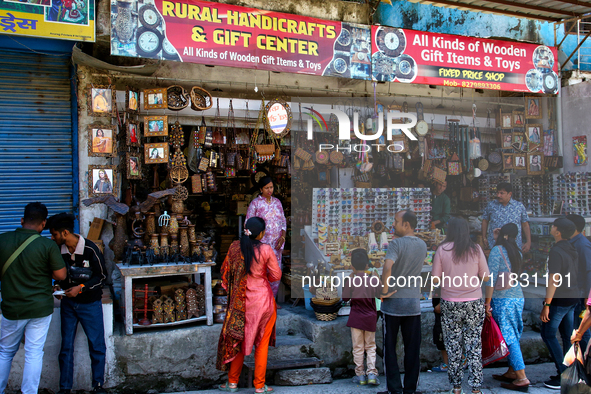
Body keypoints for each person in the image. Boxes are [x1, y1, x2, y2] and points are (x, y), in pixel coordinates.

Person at [0, 203, 66, 394]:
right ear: (44, 224)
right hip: (40, 309)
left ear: (22, 220)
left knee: (5, 352)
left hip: (12, 309)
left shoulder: (2, 240)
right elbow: (61, 276)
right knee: (34, 353)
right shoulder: (47, 245)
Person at [216, 217, 281, 393]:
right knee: (261, 344)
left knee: (238, 341)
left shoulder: (234, 247)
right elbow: (276, 275)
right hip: (263, 302)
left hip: (240, 302)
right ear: (261, 233)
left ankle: (232, 383)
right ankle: (259, 386)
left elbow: (225, 274)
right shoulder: (266, 249)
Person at [48, 213, 108, 394]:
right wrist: (57, 286)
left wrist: (80, 288)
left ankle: (98, 386)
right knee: (66, 347)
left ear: (65, 233)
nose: (52, 238)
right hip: (68, 305)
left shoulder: (90, 249)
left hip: (90, 305)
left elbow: (102, 277)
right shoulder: (58, 251)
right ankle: (65, 388)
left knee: (96, 346)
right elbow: (56, 274)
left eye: (54, 234)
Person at [431, 218, 489, 394]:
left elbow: (435, 279)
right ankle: (476, 388)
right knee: (474, 345)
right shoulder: (476, 249)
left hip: (450, 303)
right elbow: (486, 277)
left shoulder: (443, 249)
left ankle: (456, 387)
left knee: (453, 345)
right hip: (474, 302)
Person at [378, 210, 427, 394]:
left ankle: (394, 389)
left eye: (396, 222)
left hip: (394, 305)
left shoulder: (396, 244)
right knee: (412, 350)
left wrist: (384, 291)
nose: (393, 225)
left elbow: (387, 266)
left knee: (390, 349)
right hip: (413, 303)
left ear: (406, 224)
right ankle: (410, 389)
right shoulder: (422, 244)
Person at [485, 223, 530, 391]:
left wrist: (487, 301)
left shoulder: (497, 251)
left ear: (502, 235)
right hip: (517, 296)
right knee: (514, 334)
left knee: (508, 337)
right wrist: (499, 236)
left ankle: (521, 376)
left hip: (503, 299)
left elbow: (491, 278)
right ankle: (512, 371)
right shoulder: (516, 251)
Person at [540, 218, 580, 390]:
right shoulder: (571, 248)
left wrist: (547, 304)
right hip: (573, 297)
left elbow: (554, 279)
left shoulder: (556, 250)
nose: (552, 227)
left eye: (554, 226)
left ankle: (563, 374)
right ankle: (572, 374)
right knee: (566, 336)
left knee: (548, 333)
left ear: (559, 231)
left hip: (560, 299)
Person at [342, 249, 380, 386]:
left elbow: (345, 297)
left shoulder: (351, 280)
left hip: (356, 318)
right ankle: (371, 373)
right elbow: (379, 293)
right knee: (370, 346)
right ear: (366, 265)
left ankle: (360, 375)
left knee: (357, 347)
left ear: (352, 266)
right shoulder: (373, 280)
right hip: (370, 317)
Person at [246, 176, 287, 301]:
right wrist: (252, 242)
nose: (270, 190)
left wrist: (283, 237)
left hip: (276, 245)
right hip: (261, 246)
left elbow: (283, 221)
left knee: (275, 273)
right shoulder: (256, 204)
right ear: (260, 189)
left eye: (271, 187)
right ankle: (262, 303)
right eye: (266, 188)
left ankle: (272, 302)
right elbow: (248, 223)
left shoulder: (277, 202)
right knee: (261, 274)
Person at [482, 182, 531, 252]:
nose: (498, 195)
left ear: (509, 194)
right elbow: (485, 221)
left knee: (514, 262)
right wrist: (484, 237)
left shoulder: (519, 206)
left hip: (514, 245)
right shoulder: (491, 205)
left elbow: (525, 225)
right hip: (495, 244)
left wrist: (528, 242)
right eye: (497, 193)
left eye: (502, 193)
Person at [567, 214, 591, 353]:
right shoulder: (573, 243)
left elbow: (589, 271)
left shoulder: (582, 245)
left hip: (582, 293)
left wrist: (586, 296)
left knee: (582, 329)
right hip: (576, 292)